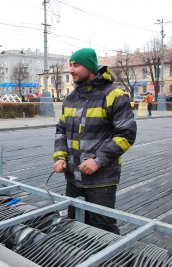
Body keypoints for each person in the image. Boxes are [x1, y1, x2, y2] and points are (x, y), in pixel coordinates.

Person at [53, 48, 137, 234]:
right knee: (75, 224)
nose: (71, 70)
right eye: (71, 65)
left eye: (76, 65)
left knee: (102, 228)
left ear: (90, 67)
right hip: (73, 178)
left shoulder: (114, 95)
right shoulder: (70, 98)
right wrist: (60, 157)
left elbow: (126, 134)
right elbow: (61, 130)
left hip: (102, 179)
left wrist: (98, 161)